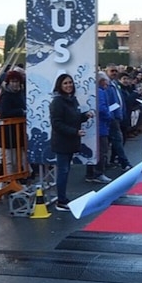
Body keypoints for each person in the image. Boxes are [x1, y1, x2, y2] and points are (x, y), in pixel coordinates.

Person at [48, 73, 94, 211]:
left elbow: (74, 118)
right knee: (63, 171)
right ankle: (61, 201)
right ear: (60, 86)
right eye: (65, 83)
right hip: (62, 142)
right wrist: (74, 132)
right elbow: (57, 123)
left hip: (71, 141)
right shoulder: (57, 102)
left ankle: (62, 198)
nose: (68, 85)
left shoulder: (72, 100)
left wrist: (85, 116)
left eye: (70, 83)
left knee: (65, 171)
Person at [0, 70, 30, 181]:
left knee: (20, 157)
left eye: (17, 81)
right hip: (8, 132)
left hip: (19, 131)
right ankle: (9, 180)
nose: (15, 84)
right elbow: (3, 112)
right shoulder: (6, 95)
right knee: (8, 158)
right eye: (13, 81)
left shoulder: (20, 94)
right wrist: (21, 112)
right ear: (9, 82)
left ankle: (20, 177)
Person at [85, 71, 113, 184]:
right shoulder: (101, 92)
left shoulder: (94, 91)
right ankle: (98, 173)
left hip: (95, 126)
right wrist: (109, 116)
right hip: (101, 126)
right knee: (102, 151)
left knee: (93, 150)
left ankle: (90, 173)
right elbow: (102, 108)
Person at [106, 65, 132, 170]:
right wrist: (112, 115)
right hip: (111, 118)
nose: (114, 73)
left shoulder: (115, 84)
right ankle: (124, 162)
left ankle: (112, 160)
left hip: (118, 116)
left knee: (115, 141)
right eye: (112, 71)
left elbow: (120, 101)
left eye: (116, 71)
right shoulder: (107, 85)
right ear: (106, 71)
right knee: (117, 140)